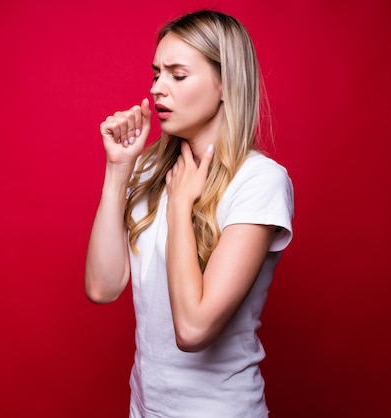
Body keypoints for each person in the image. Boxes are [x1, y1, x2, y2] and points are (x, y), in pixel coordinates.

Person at [85, 10, 294, 418]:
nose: (158, 89)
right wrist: (118, 169)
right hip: (145, 409)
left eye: (177, 76)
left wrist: (181, 206)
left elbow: (194, 330)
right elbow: (102, 287)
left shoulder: (259, 181)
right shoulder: (148, 170)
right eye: (156, 74)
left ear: (225, 84)